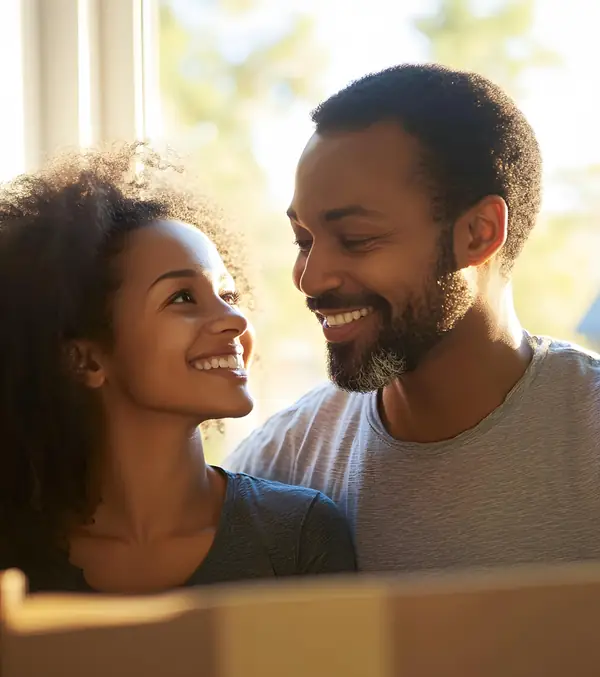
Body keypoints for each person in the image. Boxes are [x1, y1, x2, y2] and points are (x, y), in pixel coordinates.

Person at [224, 63, 600, 573]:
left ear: (479, 233)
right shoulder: (283, 461)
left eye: (356, 239)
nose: (311, 280)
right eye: (304, 241)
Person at [0, 143, 356, 594]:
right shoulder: (12, 554)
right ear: (85, 359)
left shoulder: (300, 536)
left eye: (228, 295)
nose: (235, 319)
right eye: (183, 298)